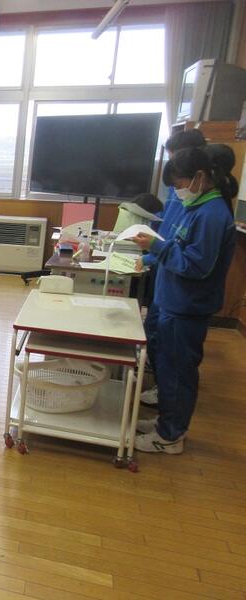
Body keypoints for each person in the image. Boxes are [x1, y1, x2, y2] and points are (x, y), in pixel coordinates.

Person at [132, 145, 237, 454]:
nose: (177, 191)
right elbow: (178, 246)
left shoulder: (212, 214)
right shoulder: (196, 207)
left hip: (187, 306)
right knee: (167, 369)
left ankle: (170, 436)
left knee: (178, 373)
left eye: (178, 184)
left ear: (199, 177)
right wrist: (155, 252)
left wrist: (156, 247)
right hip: (173, 301)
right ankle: (167, 422)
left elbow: (196, 266)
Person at [138, 129, 207, 407]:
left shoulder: (206, 211)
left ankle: (169, 419)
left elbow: (190, 257)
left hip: (182, 296)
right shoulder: (185, 195)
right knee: (158, 338)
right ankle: (164, 400)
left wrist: (153, 253)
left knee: (174, 355)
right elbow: (169, 227)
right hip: (168, 281)